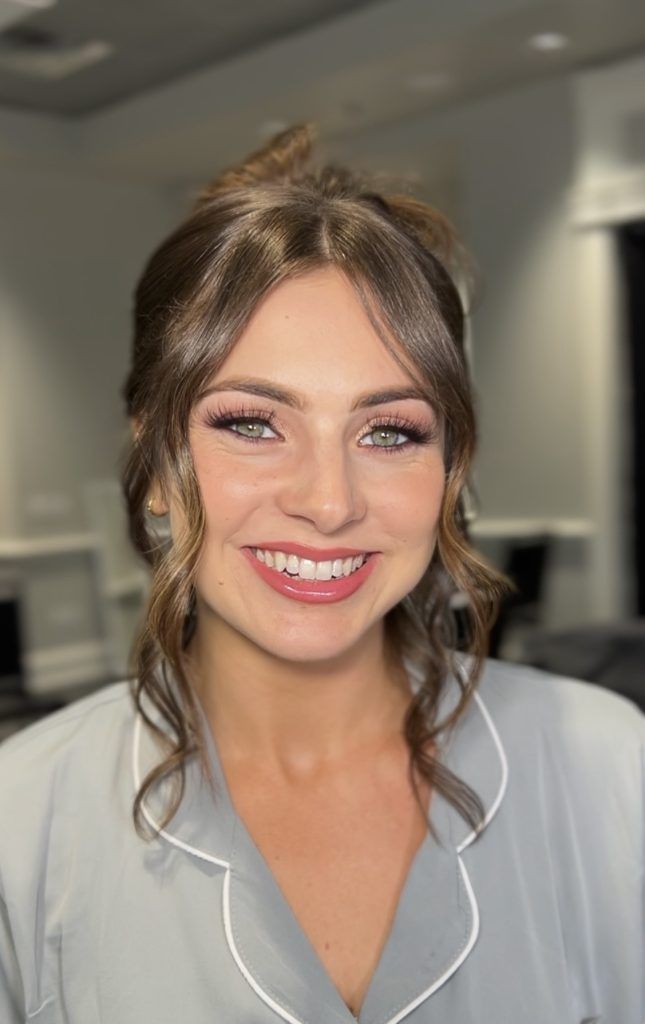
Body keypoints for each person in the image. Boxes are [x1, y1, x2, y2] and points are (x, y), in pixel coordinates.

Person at [0, 124, 642, 1024]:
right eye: (252, 423)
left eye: (390, 432)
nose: (329, 501)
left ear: (448, 468)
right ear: (152, 467)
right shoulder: (20, 824)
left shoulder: (610, 768)